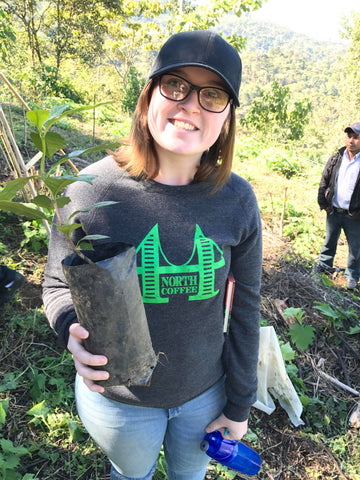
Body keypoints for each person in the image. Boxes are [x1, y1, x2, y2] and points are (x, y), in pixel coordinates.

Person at [43, 30, 262, 480]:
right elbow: (55, 283)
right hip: (119, 400)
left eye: (212, 95)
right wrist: (69, 328)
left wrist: (239, 404)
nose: (191, 105)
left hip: (205, 393)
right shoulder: (89, 190)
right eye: (176, 86)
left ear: (226, 119)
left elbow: (246, 308)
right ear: (148, 99)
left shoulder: (236, 200)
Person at [315, 121, 360, 289]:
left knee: (355, 248)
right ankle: (324, 266)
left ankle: (352, 276)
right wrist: (324, 203)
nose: (351, 141)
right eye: (349, 136)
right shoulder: (336, 158)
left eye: (356, 137)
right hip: (334, 210)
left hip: (354, 214)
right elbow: (324, 181)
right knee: (329, 241)